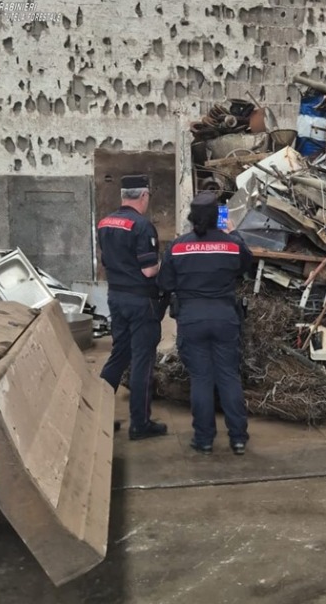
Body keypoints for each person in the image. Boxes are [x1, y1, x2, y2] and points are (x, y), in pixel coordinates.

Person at [158, 191, 253, 455]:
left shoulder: (178, 247)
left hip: (191, 318)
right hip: (225, 317)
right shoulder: (231, 245)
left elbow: (165, 282)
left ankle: (204, 439)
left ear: (191, 217)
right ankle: (238, 439)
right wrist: (233, 234)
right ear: (217, 217)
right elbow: (246, 264)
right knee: (228, 376)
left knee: (201, 379)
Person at [97, 174, 167, 441]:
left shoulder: (105, 222)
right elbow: (149, 270)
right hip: (140, 302)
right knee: (141, 361)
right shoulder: (142, 226)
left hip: (116, 297)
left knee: (119, 354)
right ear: (144, 196)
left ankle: (99, 415)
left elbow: (106, 260)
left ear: (123, 195)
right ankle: (140, 424)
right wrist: (166, 264)